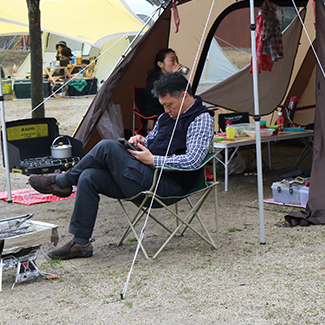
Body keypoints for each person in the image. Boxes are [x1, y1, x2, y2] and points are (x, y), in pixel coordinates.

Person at [28, 72, 213, 260]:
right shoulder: (167, 117)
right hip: (145, 175)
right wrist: (140, 142)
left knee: (107, 146)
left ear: (184, 96)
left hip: (166, 184)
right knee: (89, 176)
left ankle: (62, 181)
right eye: (163, 105)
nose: (166, 110)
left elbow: (193, 160)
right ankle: (81, 242)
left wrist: (153, 160)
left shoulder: (200, 118)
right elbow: (153, 142)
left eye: (169, 105)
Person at [144, 48, 186, 131]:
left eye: (177, 60)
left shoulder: (176, 77)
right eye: (172, 61)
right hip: (163, 115)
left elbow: (188, 91)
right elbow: (152, 104)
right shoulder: (154, 81)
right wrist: (174, 78)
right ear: (160, 64)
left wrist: (177, 77)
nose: (176, 64)